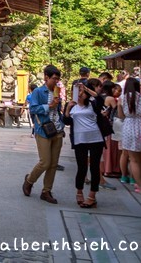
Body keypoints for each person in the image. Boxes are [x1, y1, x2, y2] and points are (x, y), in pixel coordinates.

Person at [23, 65, 65, 204]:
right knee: (45, 162)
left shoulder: (57, 91)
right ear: (46, 77)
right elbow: (33, 108)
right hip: (43, 129)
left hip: (57, 129)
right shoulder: (38, 92)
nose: (56, 82)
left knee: (53, 164)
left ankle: (46, 191)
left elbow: (58, 111)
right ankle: (29, 180)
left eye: (58, 79)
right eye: (54, 79)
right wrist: (49, 106)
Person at [62, 78, 105, 208]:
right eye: (78, 91)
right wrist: (68, 109)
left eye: (82, 91)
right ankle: (79, 191)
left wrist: (86, 88)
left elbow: (100, 99)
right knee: (81, 167)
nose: (80, 94)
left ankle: (92, 196)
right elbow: (67, 121)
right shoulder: (71, 104)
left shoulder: (92, 103)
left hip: (95, 139)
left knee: (94, 167)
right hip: (80, 140)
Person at [118, 77, 141, 195]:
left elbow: (121, 116)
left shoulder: (122, 98)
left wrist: (120, 105)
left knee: (133, 159)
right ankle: (140, 182)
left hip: (129, 126)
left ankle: (139, 186)